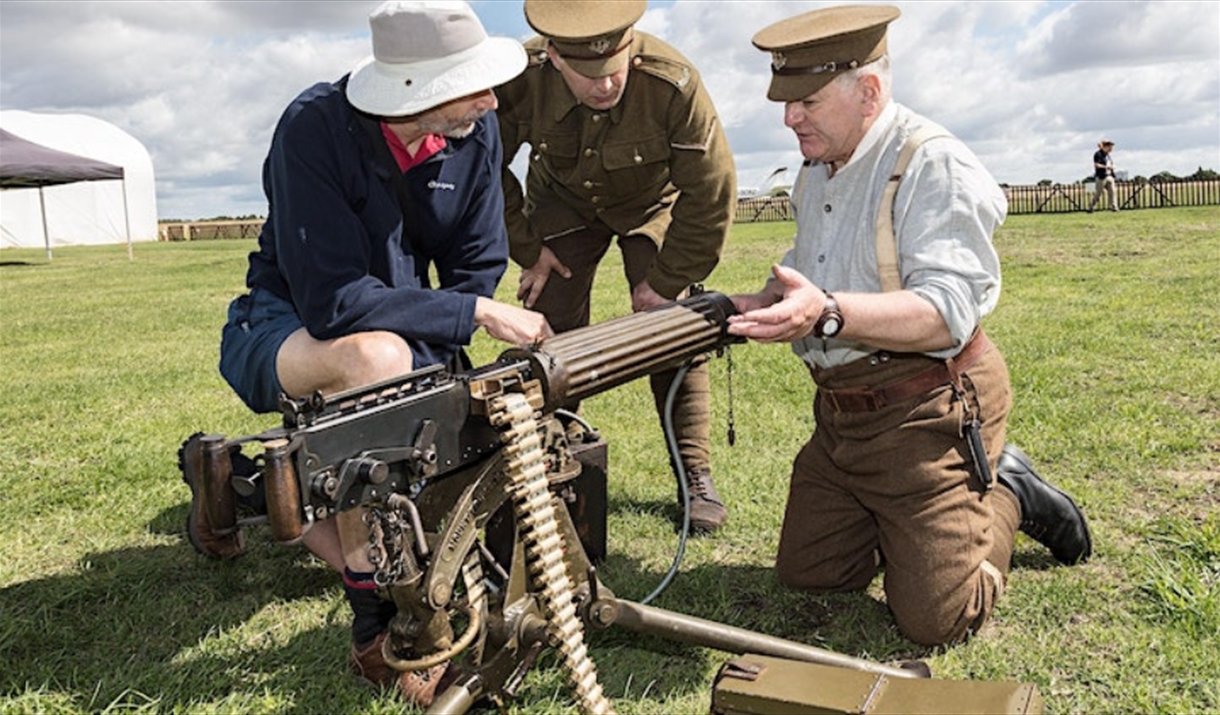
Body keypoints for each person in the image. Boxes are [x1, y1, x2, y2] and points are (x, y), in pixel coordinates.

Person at [180, 0, 551, 705]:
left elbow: (476, 262)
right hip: (285, 322)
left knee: (424, 435)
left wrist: (443, 364)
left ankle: (241, 485)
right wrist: (470, 315)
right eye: (471, 84)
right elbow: (333, 301)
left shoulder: (475, 130)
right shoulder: (312, 129)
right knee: (379, 370)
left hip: (400, 335)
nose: (492, 99)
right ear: (416, 90)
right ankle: (378, 629)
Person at [728, 5, 1092, 647]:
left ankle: (1007, 491)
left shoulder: (933, 164)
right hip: (842, 419)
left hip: (927, 408)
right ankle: (906, 526)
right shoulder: (818, 169)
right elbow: (813, 268)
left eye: (805, 101)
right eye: (786, 103)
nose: (789, 118)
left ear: (868, 91)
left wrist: (828, 312)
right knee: (810, 577)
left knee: (936, 620)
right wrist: (749, 303)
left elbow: (949, 311)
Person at [495, 0, 737, 532]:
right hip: (562, 203)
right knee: (548, 323)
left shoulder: (673, 83)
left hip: (653, 204)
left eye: (615, 67)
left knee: (673, 325)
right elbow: (483, 165)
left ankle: (694, 473)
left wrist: (665, 282)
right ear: (554, 56)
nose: (605, 85)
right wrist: (529, 249)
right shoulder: (520, 80)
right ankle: (542, 464)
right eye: (587, 73)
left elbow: (712, 193)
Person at [1088, 139, 1119, 212]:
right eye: (1110, 147)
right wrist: (1106, 167)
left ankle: (1114, 207)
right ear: (1106, 146)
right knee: (1098, 193)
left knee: (1113, 192)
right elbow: (1096, 165)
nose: (1111, 148)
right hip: (1101, 177)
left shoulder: (1108, 155)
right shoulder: (1098, 154)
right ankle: (1091, 206)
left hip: (1109, 176)